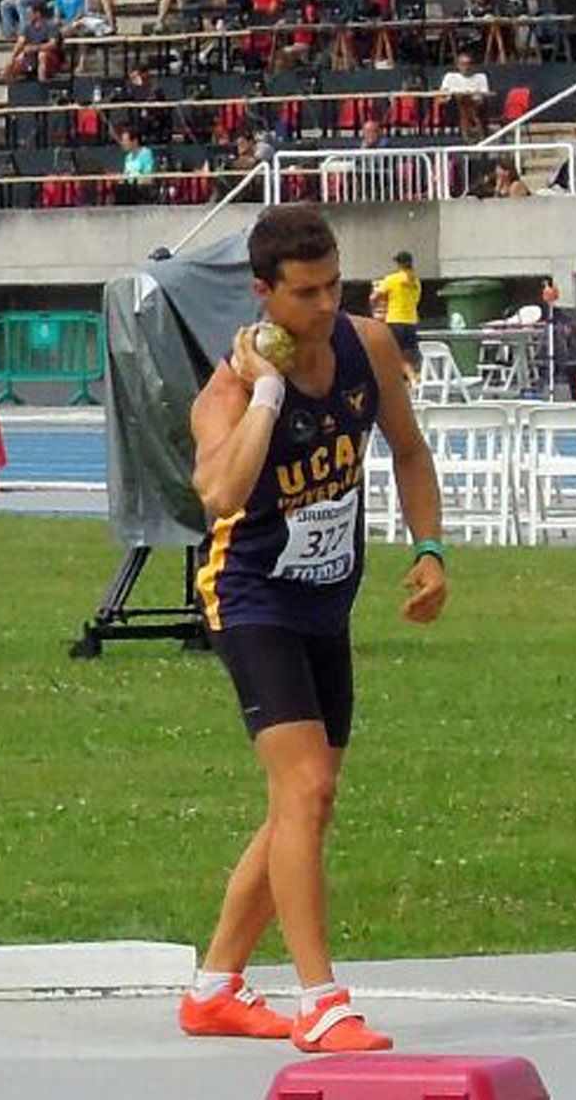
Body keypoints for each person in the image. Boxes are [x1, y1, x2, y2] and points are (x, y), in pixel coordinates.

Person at [178, 205, 446, 1055]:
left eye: (334, 284)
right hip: (250, 596)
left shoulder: (366, 347)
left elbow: (407, 448)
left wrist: (430, 548)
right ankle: (321, 1001)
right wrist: (265, 391)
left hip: (326, 597)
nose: (326, 305)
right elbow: (218, 494)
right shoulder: (227, 392)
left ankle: (216, 986)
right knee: (308, 791)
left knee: (307, 802)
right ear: (263, 295)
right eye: (305, 293)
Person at [369, 250, 422, 370]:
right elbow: (416, 300)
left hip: (395, 320)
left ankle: (398, 380)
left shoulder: (392, 279)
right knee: (409, 355)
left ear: (399, 264)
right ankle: (413, 380)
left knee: (393, 354)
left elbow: (374, 297)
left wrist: (374, 307)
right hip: (411, 322)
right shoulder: (416, 282)